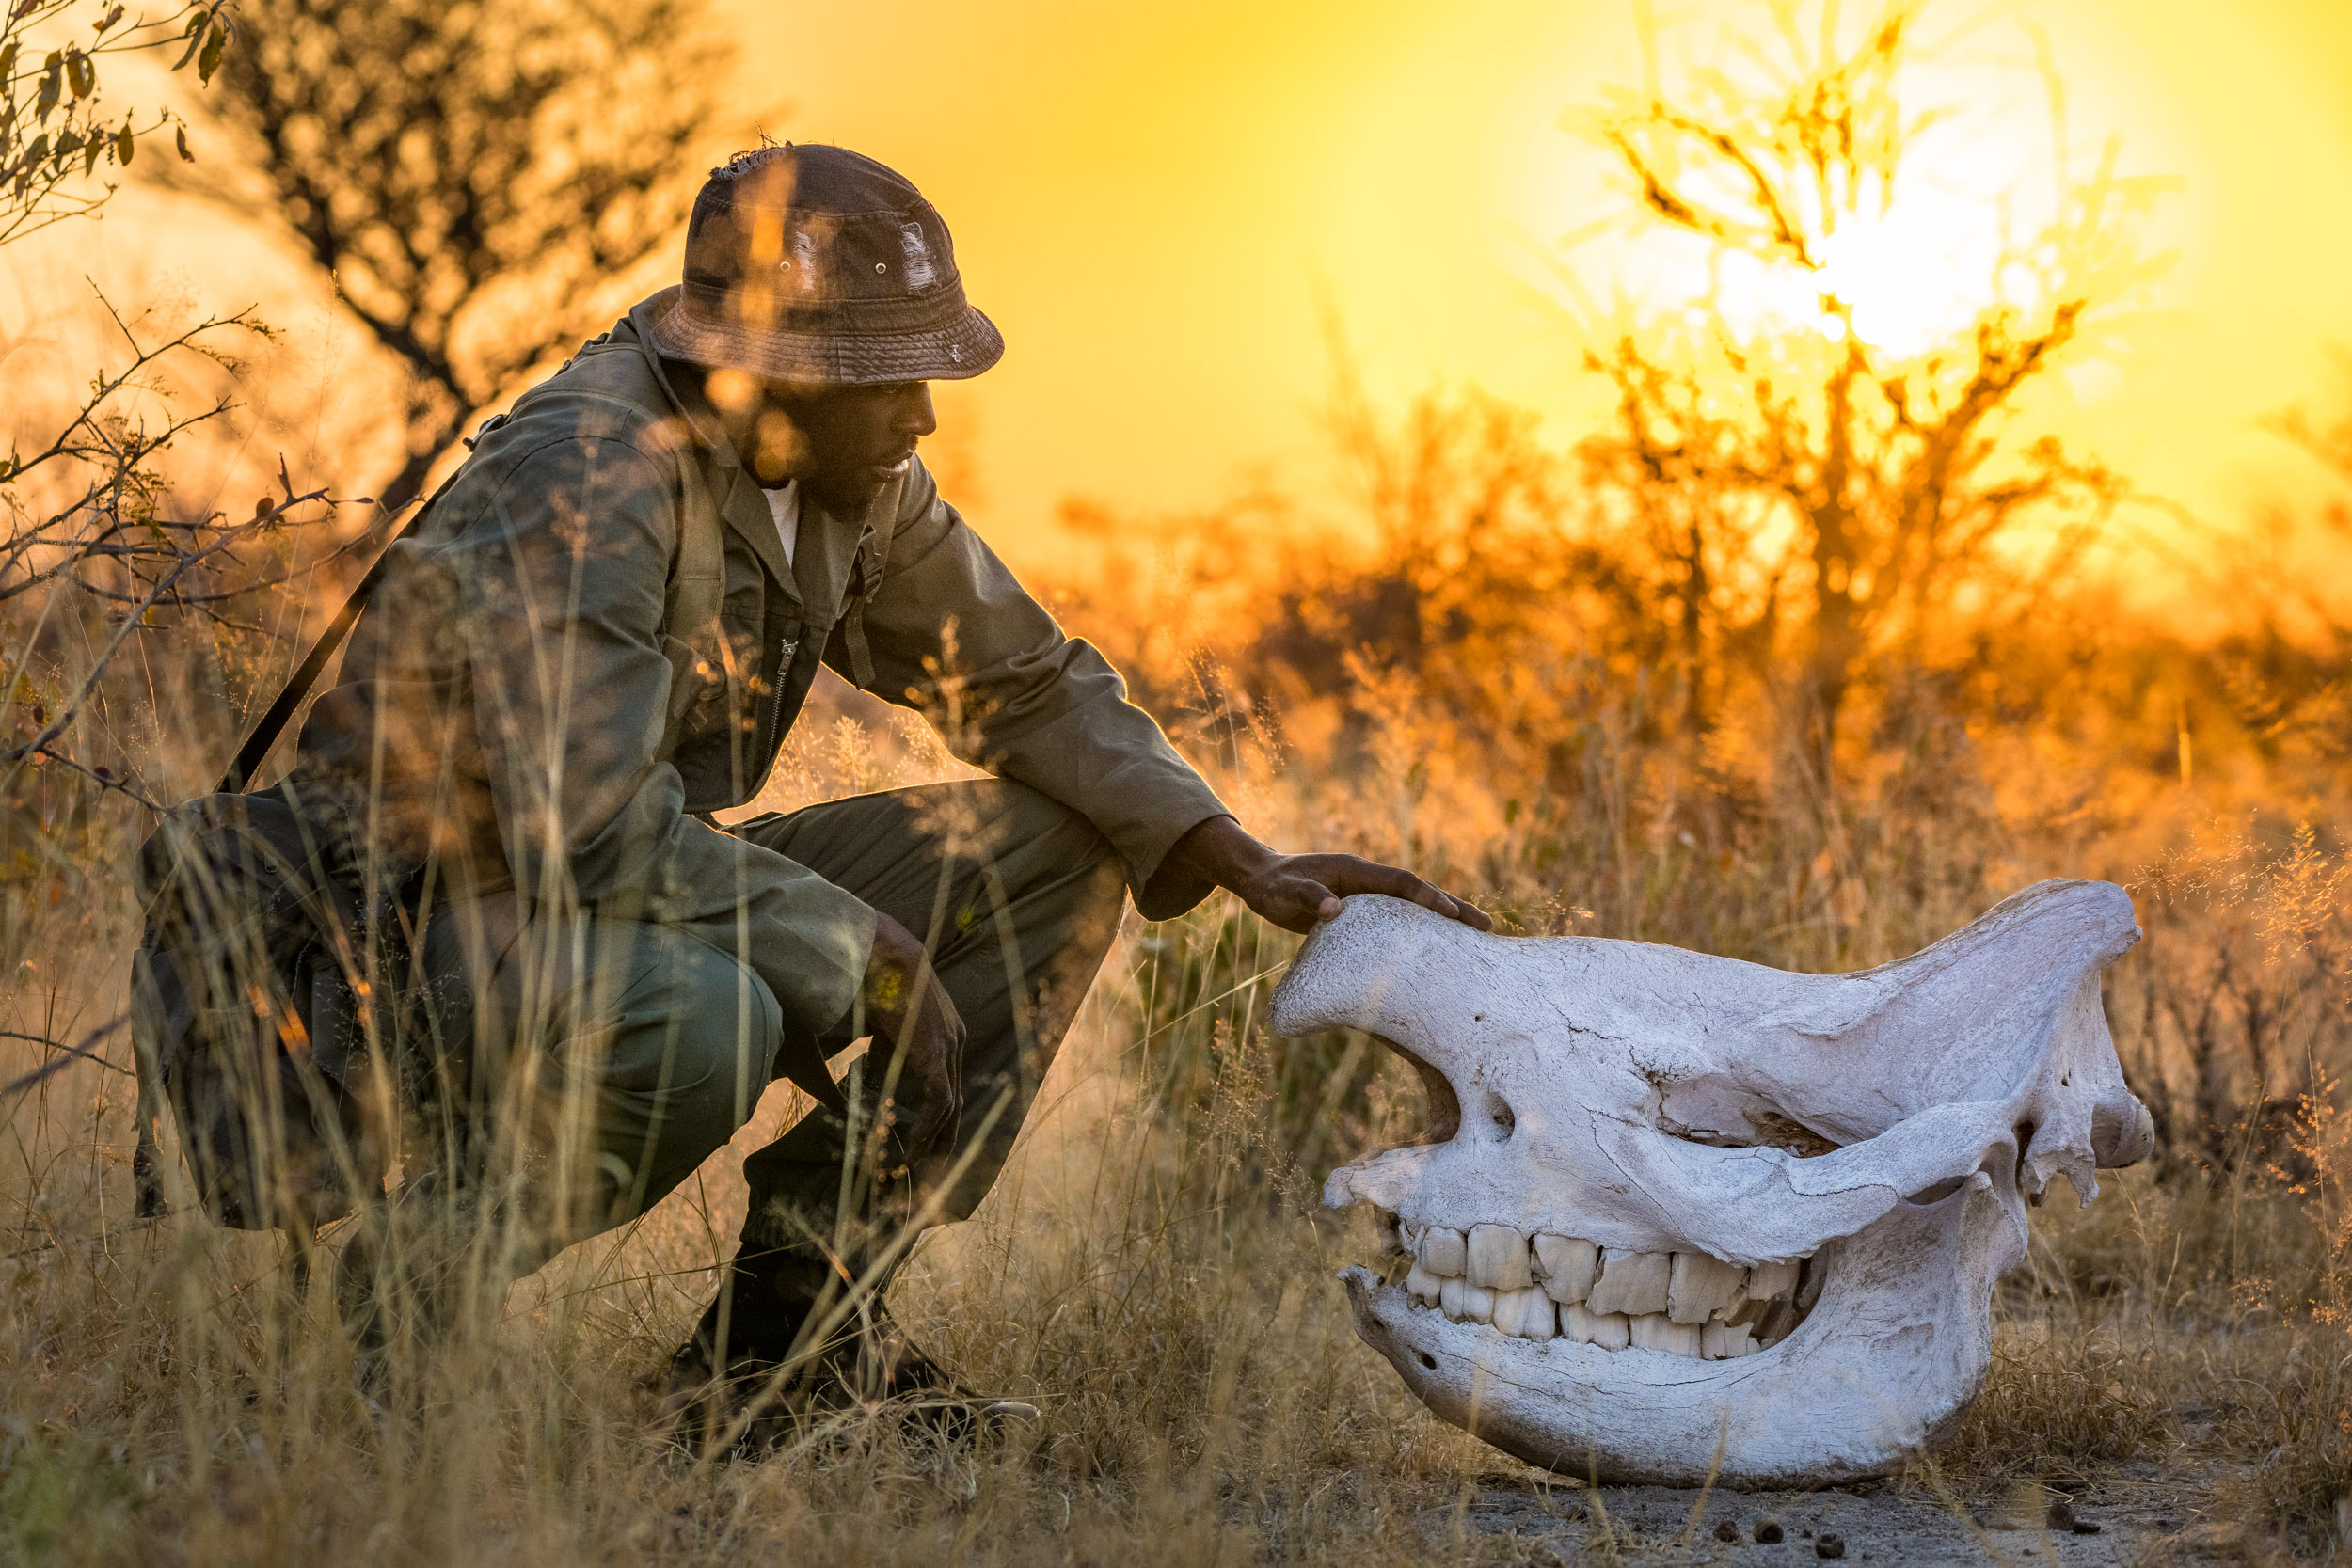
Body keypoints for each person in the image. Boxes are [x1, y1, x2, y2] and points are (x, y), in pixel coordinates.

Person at [160, 143, 1488, 1435]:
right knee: (706, 1016)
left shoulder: (842, 474)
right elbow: (582, 829)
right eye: (890, 380)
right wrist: (863, 951)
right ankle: (403, 1306)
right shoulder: (592, 475)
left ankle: (791, 1339)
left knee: (1052, 850)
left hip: (614, 881)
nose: (921, 416)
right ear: (769, 377)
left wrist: (1233, 850)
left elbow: (1021, 678)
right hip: (417, 928)